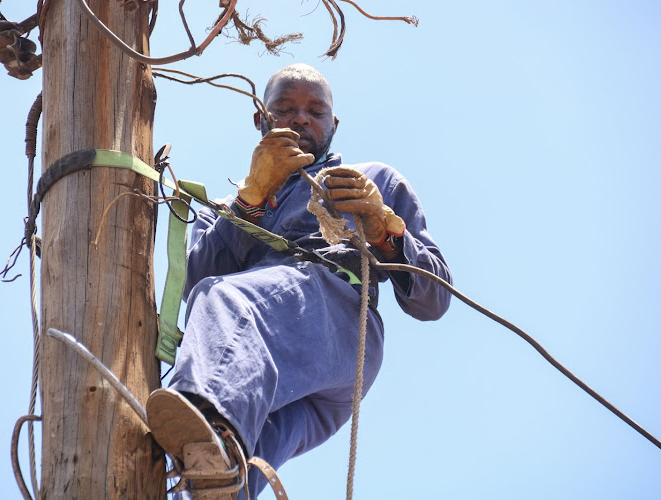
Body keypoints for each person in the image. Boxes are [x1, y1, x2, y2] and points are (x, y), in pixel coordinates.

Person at [147, 63, 452, 499]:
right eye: (285, 108)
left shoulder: (372, 181)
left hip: (338, 324)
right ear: (261, 119)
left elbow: (434, 298)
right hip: (260, 371)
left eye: (315, 110)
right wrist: (251, 198)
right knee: (229, 468)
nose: (301, 118)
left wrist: (383, 224)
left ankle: (208, 417)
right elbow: (196, 282)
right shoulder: (224, 206)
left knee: (224, 303)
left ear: (333, 123)